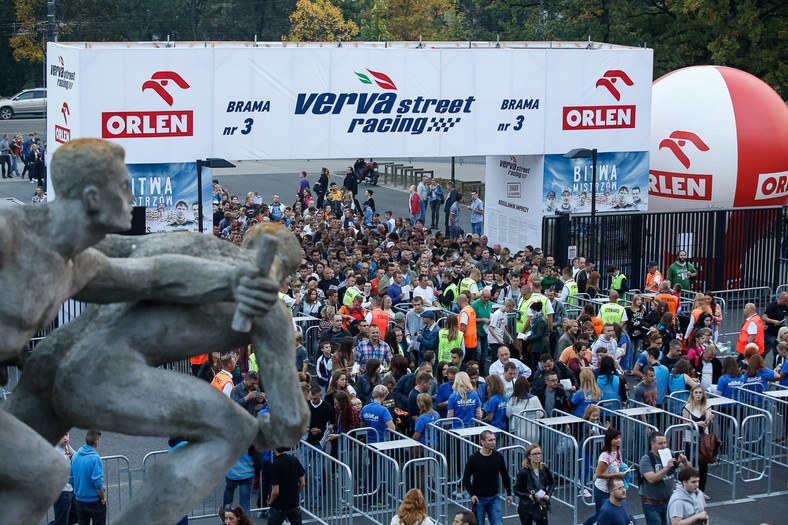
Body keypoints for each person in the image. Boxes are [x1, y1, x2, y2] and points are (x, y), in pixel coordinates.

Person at [462, 430, 513, 525]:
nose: (493, 442)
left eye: (494, 439)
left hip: (494, 498)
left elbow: (505, 475)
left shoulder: (498, 456)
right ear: (482, 442)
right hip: (478, 499)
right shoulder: (474, 458)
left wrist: (509, 492)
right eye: (490, 440)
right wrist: (472, 494)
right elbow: (466, 478)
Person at [639, 432, 689, 525]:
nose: (664, 446)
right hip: (651, 503)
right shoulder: (646, 459)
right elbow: (651, 479)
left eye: (665, 443)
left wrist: (685, 462)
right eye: (660, 444)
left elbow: (688, 470)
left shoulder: (670, 454)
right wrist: (667, 468)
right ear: (652, 444)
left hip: (668, 501)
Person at [583, 427, 628, 525]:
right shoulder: (605, 456)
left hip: (613, 488)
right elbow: (599, 474)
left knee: (609, 513)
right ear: (610, 440)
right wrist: (617, 474)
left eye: (619, 437)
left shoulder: (618, 452)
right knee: (600, 514)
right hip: (602, 490)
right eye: (615, 438)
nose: (618, 440)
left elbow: (619, 464)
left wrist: (623, 469)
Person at [69, 429, 106, 525]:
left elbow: (71, 479)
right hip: (94, 501)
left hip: (80, 500)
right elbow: (97, 482)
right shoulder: (95, 458)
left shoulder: (75, 457)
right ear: (96, 441)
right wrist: (103, 498)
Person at [682, 385, 712, 497]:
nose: (698, 395)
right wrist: (696, 424)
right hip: (690, 439)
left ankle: (701, 490)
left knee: (703, 465)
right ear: (692, 394)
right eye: (696, 392)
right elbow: (684, 424)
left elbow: (709, 418)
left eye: (700, 392)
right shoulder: (687, 407)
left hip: (704, 440)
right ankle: (689, 489)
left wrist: (710, 418)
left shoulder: (707, 406)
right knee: (690, 466)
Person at [513, 443, 554, 525]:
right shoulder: (523, 472)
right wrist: (529, 495)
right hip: (527, 507)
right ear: (529, 456)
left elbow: (552, 482)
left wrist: (548, 494)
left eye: (539, 453)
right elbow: (516, 490)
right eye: (534, 454)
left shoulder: (544, 468)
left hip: (540, 505)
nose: (537, 456)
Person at [268, 447, 306, 525]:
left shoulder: (274, 466)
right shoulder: (294, 460)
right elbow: (302, 483)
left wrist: (270, 501)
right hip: (294, 504)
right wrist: (296, 493)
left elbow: (275, 491)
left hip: (279, 506)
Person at [50, 431, 78, 525]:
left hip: (70, 490)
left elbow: (76, 456)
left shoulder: (66, 447)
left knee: (76, 515)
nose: (65, 438)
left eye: (66, 434)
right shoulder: (55, 453)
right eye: (62, 435)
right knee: (61, 521)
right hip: (61, 493)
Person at [223, 449, 255, 516]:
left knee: (227, 504)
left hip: (231, 473)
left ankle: (227, 520)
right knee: (245, 505)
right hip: (247, 472)